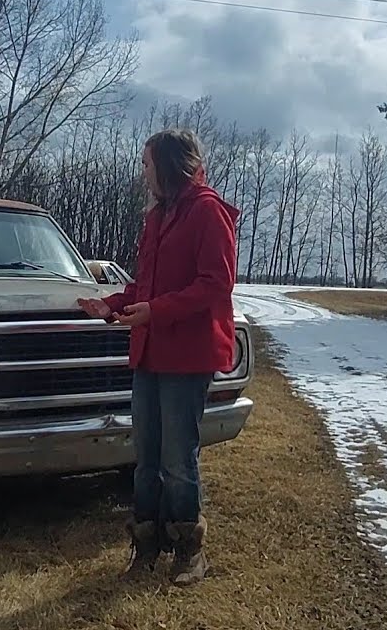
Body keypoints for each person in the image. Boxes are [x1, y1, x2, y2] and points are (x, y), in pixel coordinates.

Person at [76, 128, 240, 587]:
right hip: (149, 353)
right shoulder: (157, 217)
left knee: (177, 458)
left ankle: (189, 549)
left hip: (187, 356)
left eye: (147, 163)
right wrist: (110, 304)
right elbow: (145, 287)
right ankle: (146, 545)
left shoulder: (208, 212)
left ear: (166, 165)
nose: (142, 172)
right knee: (144, 455)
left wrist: (155, 312)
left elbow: (215, 285)